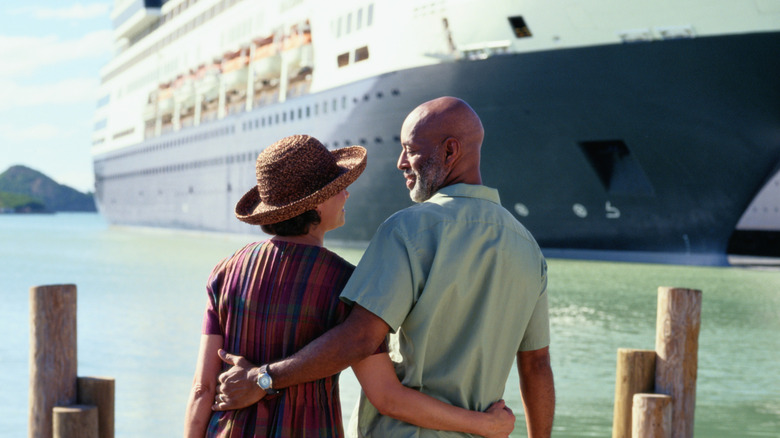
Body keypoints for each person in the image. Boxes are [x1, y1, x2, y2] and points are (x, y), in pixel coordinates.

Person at [213, 98, 555, 437]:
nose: (400, 163)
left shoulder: (407, 231)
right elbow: (537, 366)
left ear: (451, 151)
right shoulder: (528, 248)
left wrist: (264, 378)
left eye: (411, 150)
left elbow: (359, 338)